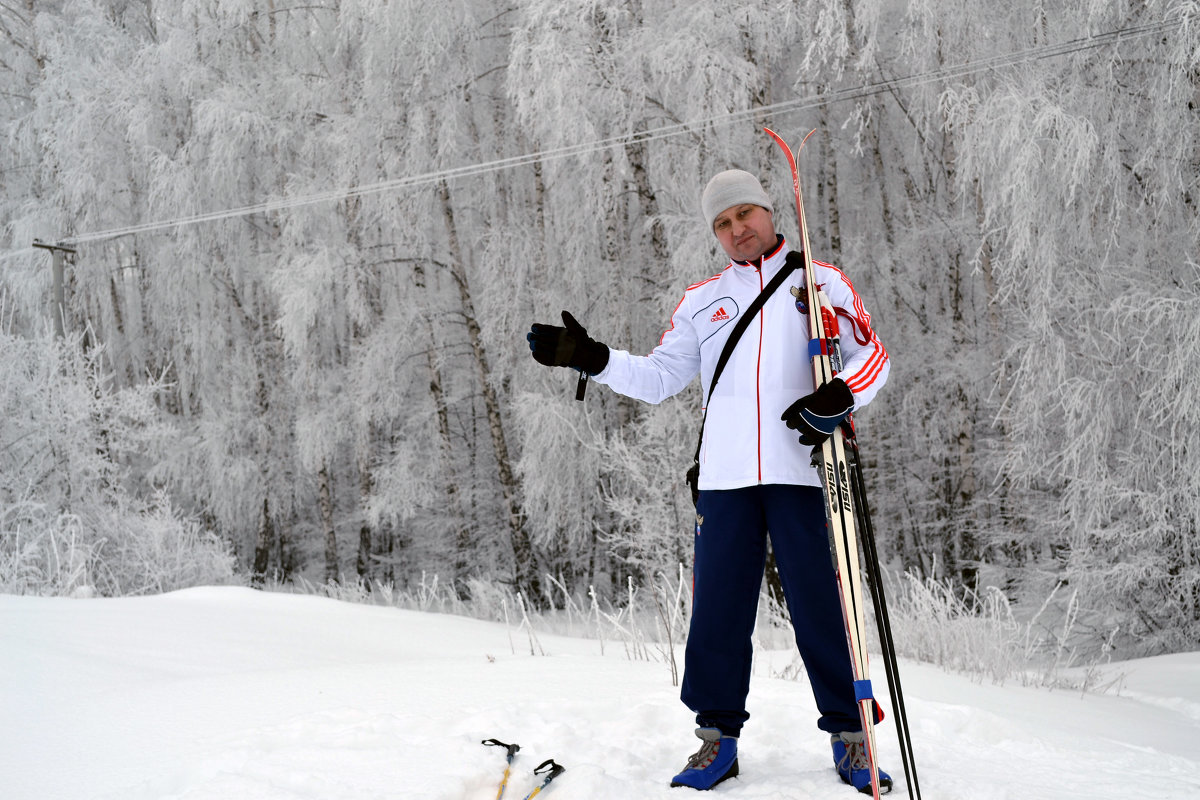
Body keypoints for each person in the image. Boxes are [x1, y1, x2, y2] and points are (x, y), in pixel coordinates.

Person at [526, 168, 891, 793]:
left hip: (805, 473)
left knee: (824, 608)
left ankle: (852, 738)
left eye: (744, 214)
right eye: (722, 223)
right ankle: (716, 740)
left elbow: (872, 356)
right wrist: (596, 358)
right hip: (724, 482)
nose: (736, 229)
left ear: (769, 212)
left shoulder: (819, 282)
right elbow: (662, 375)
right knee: (718, 613)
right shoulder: (703, 300)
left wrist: (841, 393)